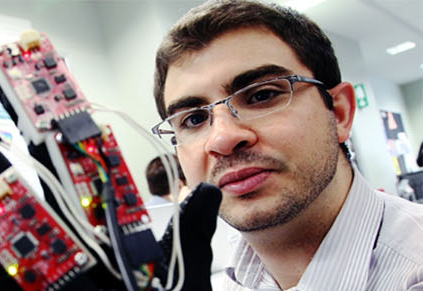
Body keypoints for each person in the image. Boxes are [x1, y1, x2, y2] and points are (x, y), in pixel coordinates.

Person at [149, 0, 423, 289]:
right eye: (193, 119)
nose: (222, 138)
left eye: (262, 95)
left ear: (339, 113)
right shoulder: (225, 275)